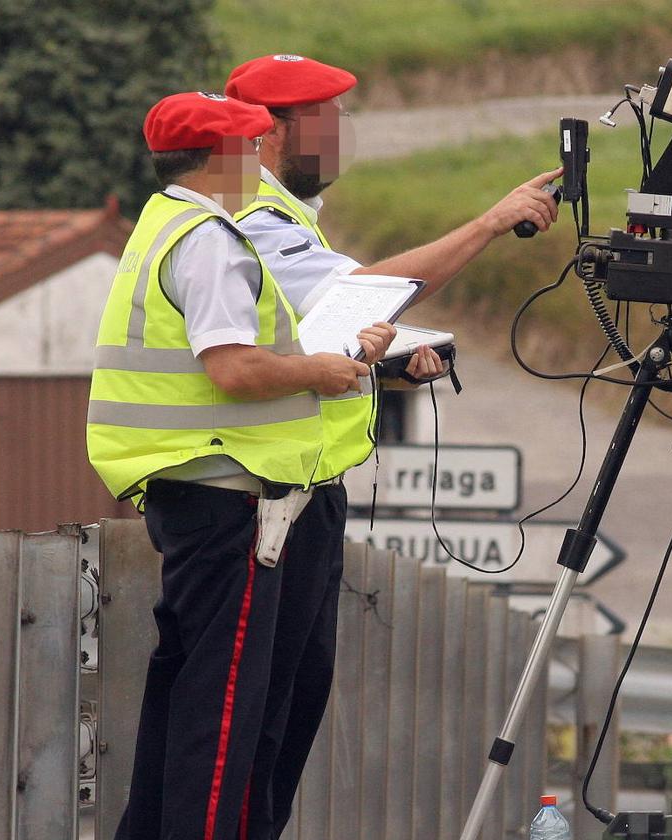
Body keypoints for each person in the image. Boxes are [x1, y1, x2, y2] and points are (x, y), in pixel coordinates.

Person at [219, 54, 562, 837]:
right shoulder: (254, 219)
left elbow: (325, 334)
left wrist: (389, 363)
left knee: (290, 709)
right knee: (261, 721)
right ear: (273, 133)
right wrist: (486, 223)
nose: (340, 138)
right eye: (326, 121)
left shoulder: (285, 215)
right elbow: (367, 291)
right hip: (262, 500)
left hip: (302, 491)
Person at [86, 91, 395, 840]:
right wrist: (320, 372)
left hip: (189, 490)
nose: (261, 159)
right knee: (226, 707)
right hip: (230, 497)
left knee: (188, 695)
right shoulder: (213, 238)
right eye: (252, 145)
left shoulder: (164, 223)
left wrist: (333, 356)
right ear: (223, 157)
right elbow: (231, 367)